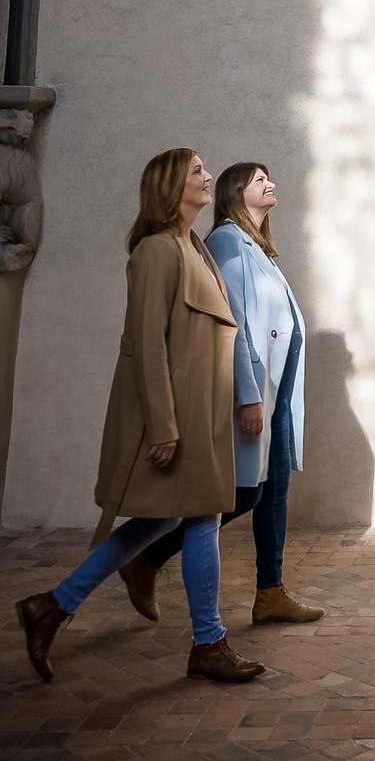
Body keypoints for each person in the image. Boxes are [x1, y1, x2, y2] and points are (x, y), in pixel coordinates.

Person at [13, 149, 265, 684]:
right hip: (179, 415)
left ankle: (52, 605)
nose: (207, 176)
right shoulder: (156, 250)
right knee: (200, 518)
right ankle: (208, 643)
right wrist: (165, 426)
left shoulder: (193, 245)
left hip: (202, 412)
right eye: (196, 170)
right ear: (172, 186)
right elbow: (148, 344)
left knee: (163, 520)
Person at [121, 162, 322, 626]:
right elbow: (232, 324)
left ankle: (271, 591)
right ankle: (146, 558)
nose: (271, 184)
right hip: (255, 389)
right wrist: (248, 394)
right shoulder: (228, 242)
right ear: (236, 191)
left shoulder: (257, 247)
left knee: (274, 491)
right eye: (259, 180)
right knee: (245, 494)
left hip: (277, 388)